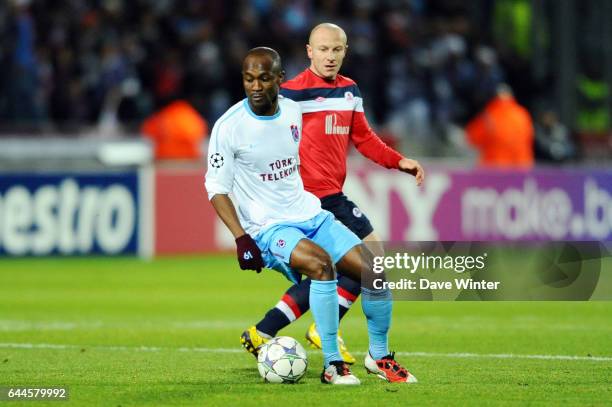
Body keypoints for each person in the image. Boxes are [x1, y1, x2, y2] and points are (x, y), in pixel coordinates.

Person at [205, 47, 417, 384]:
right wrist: (241, 237)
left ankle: (380, 357)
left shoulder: (291, 111)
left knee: (374, 272)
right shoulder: (229, 126)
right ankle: (333, 365)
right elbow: (216, 188)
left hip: (309, 213)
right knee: (321, 266)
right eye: (248, 79)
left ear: (280, 79)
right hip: (268, 226)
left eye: (263, 78)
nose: (255, 86)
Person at [466, 84, 534, 168]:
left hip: (495, 168)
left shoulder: (489, 115)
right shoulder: (523, 114)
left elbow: (471, 138)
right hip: (521, 167)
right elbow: (529, 137)